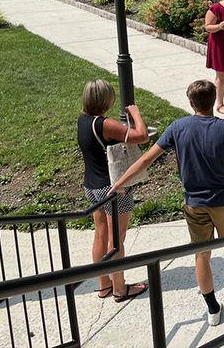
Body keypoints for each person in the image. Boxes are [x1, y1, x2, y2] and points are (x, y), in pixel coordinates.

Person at [111, 80, 224, 326]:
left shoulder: (177, 128)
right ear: (213, 101)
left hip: (195, 202)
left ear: (191, 103)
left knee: (201, 254)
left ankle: (213, 309)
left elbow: (146, 160)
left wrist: (120, 182)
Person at [77, 80, 149, 302]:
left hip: (91, 186)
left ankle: (104, 284)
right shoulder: (104, 124)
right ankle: (120, 288)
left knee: (100, 234)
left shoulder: (83, 120)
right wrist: (135, 113)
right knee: (117, 239)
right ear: (106, 100)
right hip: (113, 189)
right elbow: (142, 136)